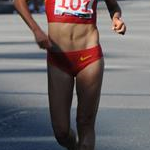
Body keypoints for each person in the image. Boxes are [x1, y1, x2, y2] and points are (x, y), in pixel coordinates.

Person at [13, 0, 126, 150]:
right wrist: (36, 30)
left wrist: (116, 18)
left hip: (89, 54)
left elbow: (113, 6)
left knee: (85, 122)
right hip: (58, 59)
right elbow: (19, 2)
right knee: (61, 132)